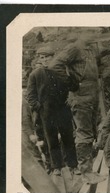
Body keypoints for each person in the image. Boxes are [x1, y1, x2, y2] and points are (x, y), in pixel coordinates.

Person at [47, 39, 106, 184]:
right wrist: (71, 83)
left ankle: (89, 170)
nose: (96, 34)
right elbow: (54, 66)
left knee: (90, 133)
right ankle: (86, 172)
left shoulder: (90, 49)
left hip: (91, 95)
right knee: (84, 134)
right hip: (80, 97)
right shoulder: (74, 48)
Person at [27, 46, 79, 176]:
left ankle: (73, 165)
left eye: (48, 57)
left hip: (63, 110)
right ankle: (57, 166)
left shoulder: (61, 71)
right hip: (47, 113)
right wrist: (40, 107)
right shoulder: (35, 74)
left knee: (68, 139)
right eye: (42, 57)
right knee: (51, 140)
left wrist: (69, 74)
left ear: (53, 57)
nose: (45, 60)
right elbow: (31, 96)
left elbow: (74, 86)